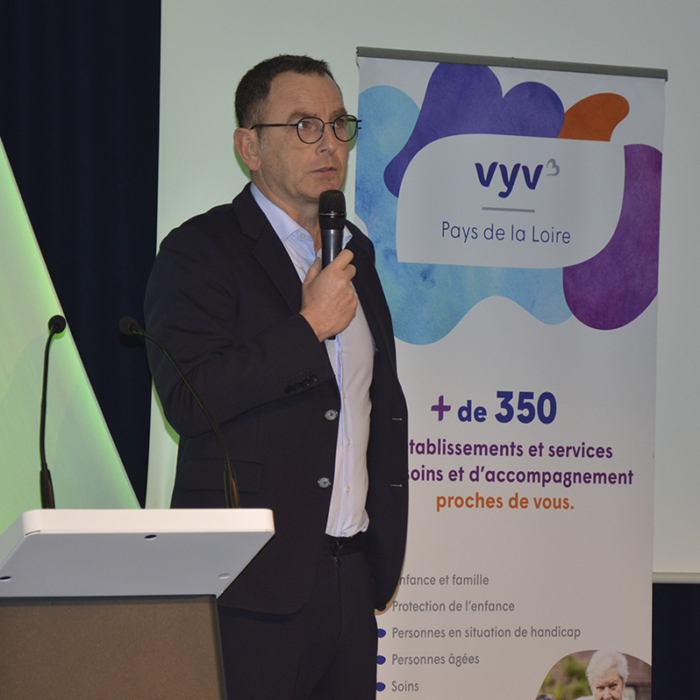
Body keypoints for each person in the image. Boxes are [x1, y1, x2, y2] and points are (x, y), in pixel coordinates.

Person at [144, 54, 409, 700]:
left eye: (339, 124)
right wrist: (307, 326)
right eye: (303, 125)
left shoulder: (356, 253)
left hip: (351, 577)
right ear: (250, 147)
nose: (329, 143)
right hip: (250, 586)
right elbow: (190, 397)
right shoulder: (200, 251)